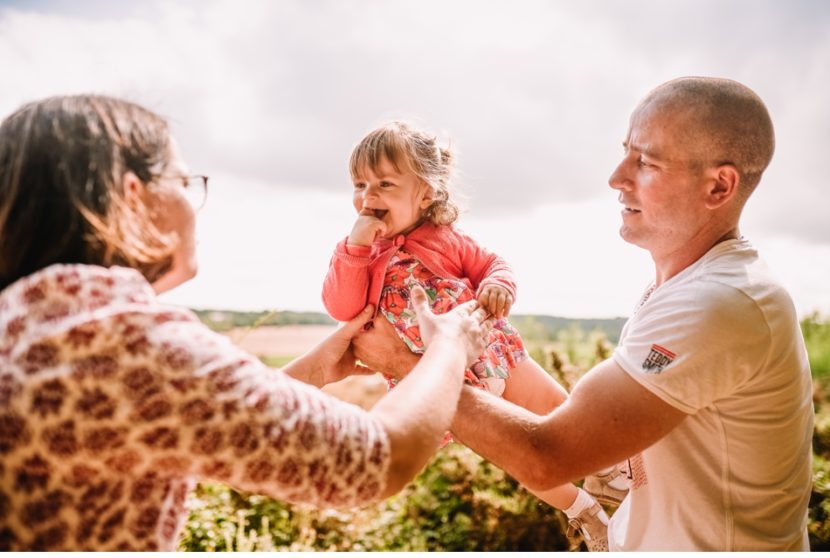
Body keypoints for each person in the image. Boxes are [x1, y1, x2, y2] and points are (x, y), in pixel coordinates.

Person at [0, 95, 496, 551]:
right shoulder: (128, 341)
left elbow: (192, 417)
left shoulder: (31, 323)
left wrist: (316, 371)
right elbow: (378, 461)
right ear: (135, 197)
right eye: (183, 182)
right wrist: (448, 347)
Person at [351, 77, 815, 551]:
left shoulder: (720, 303)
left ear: (719, 185)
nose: (617, 176)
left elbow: (547, 457)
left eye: (646, 161)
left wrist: (410, 366)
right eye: (625, 152)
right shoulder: (688, 288)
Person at [322, 121, 608, 550]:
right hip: (438, 382)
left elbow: (493, 264)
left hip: (494, 351)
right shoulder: (358, 255)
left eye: (384, 183)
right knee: (522, 460)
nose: (368, 197)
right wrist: (356, 248)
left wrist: (499, 286)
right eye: (360, 184)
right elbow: (341, 307)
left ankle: (613, 470)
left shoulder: (446, 238)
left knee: (558, 410)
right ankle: (583, 512)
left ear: (427, 192)